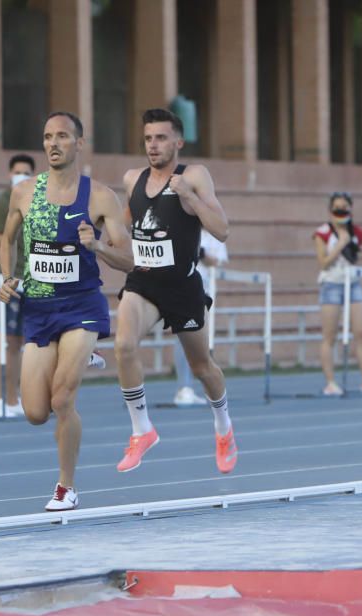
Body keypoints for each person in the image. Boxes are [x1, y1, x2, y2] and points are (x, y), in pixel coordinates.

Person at [0, 111, 132, 511]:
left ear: (79, 142)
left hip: (81, 306)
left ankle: (66, 486)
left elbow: (128, 259)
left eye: (62, 136)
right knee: (36, 412)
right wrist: (8, 277)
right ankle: (81, 353)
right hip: (39, 309)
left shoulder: (99, 196)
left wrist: (98, 247)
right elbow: (8, 241)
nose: (53, 144)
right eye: (47, 137)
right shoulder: (24, 191)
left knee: (61, 399)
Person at [114, 108, 238, 475]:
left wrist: (191, 199)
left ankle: (223, 427)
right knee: (123, 345)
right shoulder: (132, 179)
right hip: (144, 283)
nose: (153, 145)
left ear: (178, 142)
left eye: (161, 138)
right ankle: (142, 430)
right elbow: (122, 230)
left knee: (203, 368)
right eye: (149, 138)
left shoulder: (194, 176)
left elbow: (222, 230)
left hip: (183, 286)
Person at [313, 192, 362, 397]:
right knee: (330, 335)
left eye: (344, 208)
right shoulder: (322, 233)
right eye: (337, 209)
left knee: (361, 332)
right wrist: (340, 244)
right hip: (331, 285)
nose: (341, 212)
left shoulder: (356, 232)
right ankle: (330, 382)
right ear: (330, 211)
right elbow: (323, 262)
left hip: (353, 283)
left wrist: (355, 252)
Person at [0, 153, 35, 417]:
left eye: (26, 172)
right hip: (4, 278)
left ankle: (16, 398)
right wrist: (16, 222)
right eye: (17, 172)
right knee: (3, 338)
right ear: (9, 174)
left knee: (25, 341)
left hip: (32, 278)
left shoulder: (38, 201)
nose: (21, 176)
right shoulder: (0, 204)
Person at [172, 229, 227, 406]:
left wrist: (200, 252)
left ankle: (205, 388)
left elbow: (217, 262)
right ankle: (184, 387)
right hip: (183, 287)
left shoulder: (215, 235)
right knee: (183, 336)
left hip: (205, 291)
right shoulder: (183, 225)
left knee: (202, 341)